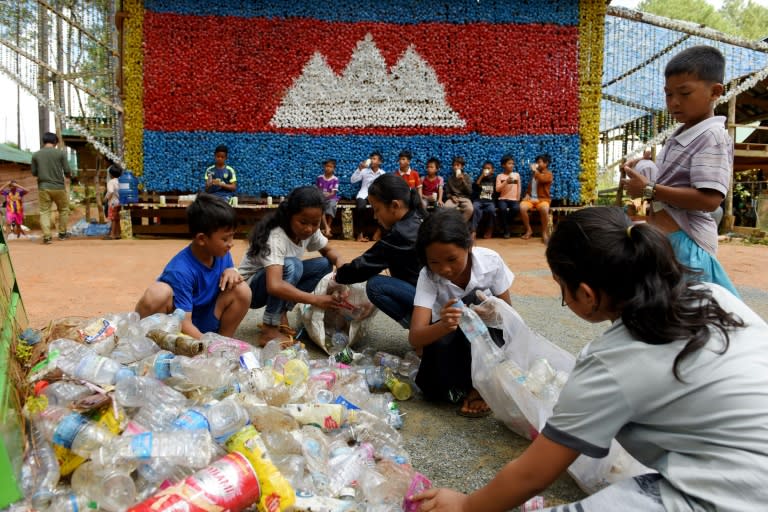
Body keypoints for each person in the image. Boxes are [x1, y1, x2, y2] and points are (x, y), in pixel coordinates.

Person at [413, 206, 768, 512]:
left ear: (585, 293)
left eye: (562, 290)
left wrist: (466, 505)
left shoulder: (611, 360)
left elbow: (535, 472)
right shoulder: (714, 296)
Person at [624, 45, 738, 297]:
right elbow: (671, 185)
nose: (674, 102)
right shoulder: (681, 133)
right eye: (668, 94)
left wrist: (648, 188)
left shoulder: (712, 136)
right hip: (669, 242)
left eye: (684, 93)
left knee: (699, 314)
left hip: (688, 245)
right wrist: (645, 170)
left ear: (715, 92)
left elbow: (709, 200)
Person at [409, 208, 514, 417]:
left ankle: (478, 386)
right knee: (432, 390)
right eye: (435, 262)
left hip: (486, 339)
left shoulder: (491, 262)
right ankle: (475, 382)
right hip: (453, 339)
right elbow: (415, 337)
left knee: (475, 300)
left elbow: (509, 317)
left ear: (469, 244)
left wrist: (492, 312)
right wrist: (443, 325)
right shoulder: (428, 276)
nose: (445, 269)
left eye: (451, 259)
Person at [238, 186, 346, 346]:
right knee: (292, 265)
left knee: (324, 264)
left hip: (274, 280)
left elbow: (329, 251)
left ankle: (281, 313)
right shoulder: (275, 236)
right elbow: (274, 286)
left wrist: (342, 268)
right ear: (289, 215)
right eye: (303, 222)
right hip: (249, 290)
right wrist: (316, 300)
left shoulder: (310, 229)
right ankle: (269, 328)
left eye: (315, 223)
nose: (309, 228)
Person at [135, 194, 251, 339]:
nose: (231, 243)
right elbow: (184, 322)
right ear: (202, 239)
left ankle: (224, 341)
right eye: (225, 238)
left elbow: (231, 276)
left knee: (242, 289)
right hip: (179, 326)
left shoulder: (221, 252)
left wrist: (232, 271)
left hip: (206, 318)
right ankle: (143, 338)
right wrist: (207, 346)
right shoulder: (181, 270)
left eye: (232, 236)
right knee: (157, 293)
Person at [335, 173, 426, 328]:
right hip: (439, 294)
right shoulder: (419, 217)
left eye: (377, 209)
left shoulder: (400, 234)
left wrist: (338, 275)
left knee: (376, 286)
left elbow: (362, 267)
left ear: (395, 206)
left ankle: (419, 329)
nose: (376, 217)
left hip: (429, 300)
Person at [31, 132, 71, 244]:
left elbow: (34, 173)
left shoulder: (36, 155)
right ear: (55, 142)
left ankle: (47, 236)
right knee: (63, 210)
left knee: (44, 211)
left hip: (43, 187)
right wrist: (68, 176)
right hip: (59, 187)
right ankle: (62, 234)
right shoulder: (60, 153)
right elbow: (67, 170)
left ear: (44, 141)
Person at [350, 151, 386, 242]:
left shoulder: (382, 173)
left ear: (379, 162)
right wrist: (359, 169)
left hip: (376, 196)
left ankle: (377, 234)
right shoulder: (364, 171)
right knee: (361, 207)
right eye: (371, 159)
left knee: (383, 209)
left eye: (374, 159)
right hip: (363, 194)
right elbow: (353, 180)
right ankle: (360, 235)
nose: (372, 161)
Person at [519, 153, 554, 243]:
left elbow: (543, 180)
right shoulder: (534, 174)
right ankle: (529, 230)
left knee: (545, 209)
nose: (537, 164)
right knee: (522, 207)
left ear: (546, 164)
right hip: (531, 199)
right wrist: (527, 194)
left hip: (543, 200)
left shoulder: (548, 174)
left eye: (539, 162)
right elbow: (531, 187)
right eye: (537, 162)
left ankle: (544, 233)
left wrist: (535, 171)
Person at [496, 154, 521, 238]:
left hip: (514, 199)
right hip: (503, 199)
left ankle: (504, 225)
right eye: (509, 163)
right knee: (502, 209)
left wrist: (517, 199)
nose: (512, 165)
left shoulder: (516, 175)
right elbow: (497, 189)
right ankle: (507, 230)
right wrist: (506, 181)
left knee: (516, 208)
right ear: (503, 165)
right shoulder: (499, 176)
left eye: (513, 164)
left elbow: (519, 188)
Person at [443, 156, 474, 223]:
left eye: (458, 165)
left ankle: (461, 225)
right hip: (453, 198)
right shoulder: (450, 179)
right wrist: (452, 197)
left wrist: (463, 180)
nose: (455, 167)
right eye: (454, 165)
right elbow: (447, 192)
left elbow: (470, 192)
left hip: (465, 198)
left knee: (470, 209)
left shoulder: (466, 177)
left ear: (462, 167)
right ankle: (450, 225)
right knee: (445, 208)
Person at [471, 161, 497, 238]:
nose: (486, 170)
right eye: (485, 168)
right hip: (479, 200)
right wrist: (482, 176)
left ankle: (489, 229)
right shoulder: (480, 178)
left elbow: (498, 190)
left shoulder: (495, 179)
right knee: (475, 208)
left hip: (490, 201)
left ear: (492, 170)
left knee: (492, 210)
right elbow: (475, 187)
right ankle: (473, 230)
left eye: (488, 168)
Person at [316, 159, 339, 237]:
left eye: (330, 167)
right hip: (321, 198)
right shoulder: (319, 178)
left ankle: (328, 227)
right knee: (320, 207)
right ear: (324, 167)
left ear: (333, 169)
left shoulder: (335, 179)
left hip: (331, 198)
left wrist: (326, 196)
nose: (328, 168)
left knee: (332, 205)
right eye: (327, 166)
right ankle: (327, 227)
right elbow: (318, 190)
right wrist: (321, 196)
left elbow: (333, 192)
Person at [103, 165, 122, 240]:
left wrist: (106, 198)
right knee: (117, 219)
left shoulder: (111, 182)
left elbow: (110, 191)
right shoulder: (120, 181)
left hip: (113, 203)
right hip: (119, 202)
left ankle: (112, 235)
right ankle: (118, 234)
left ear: (110, 174)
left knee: (113, 219)